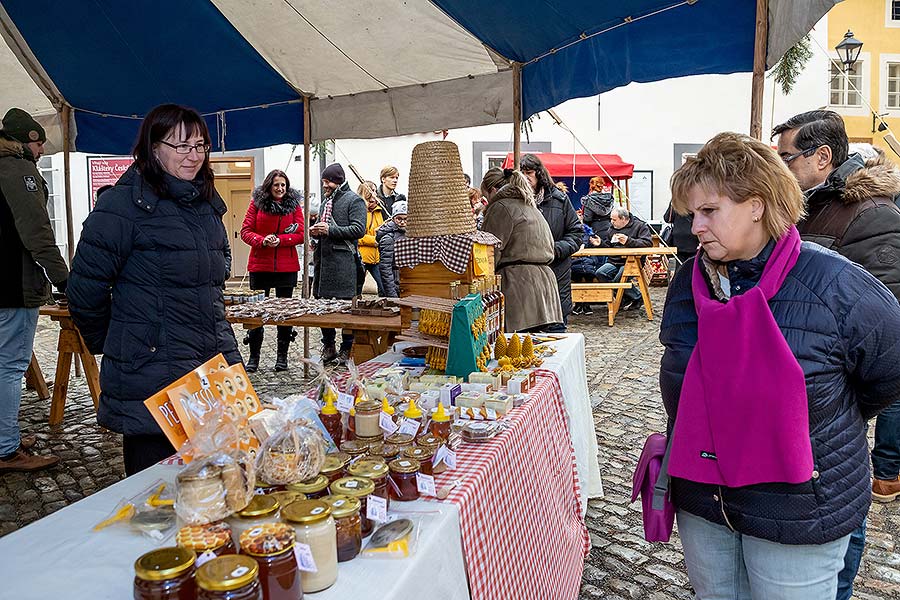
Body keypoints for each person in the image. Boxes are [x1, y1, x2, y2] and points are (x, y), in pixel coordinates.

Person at [660, 131, 900, 599]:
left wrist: (819, 419)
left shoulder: (831, 281)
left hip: (798, 509)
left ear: (758, 205)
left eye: (709, 211)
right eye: (693, 214)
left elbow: (889, 369)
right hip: (705, 501)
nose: (697, 227)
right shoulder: (688, 283)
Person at [67, 104, 240, 475]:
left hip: (208, 371)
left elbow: (211, 294)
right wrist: (123, 342)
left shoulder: (206, 205)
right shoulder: (121, 207)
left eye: (200, 145)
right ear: (152, 147)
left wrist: (230, 359)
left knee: (215, 489)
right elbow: (84, 292)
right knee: (156, 494)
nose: (193, 156)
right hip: (151, 376)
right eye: (181, 146)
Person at [773, 110, 900, 600]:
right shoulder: (803, 208)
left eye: (787, 157)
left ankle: (838, 589)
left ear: (822, 157)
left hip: (833, 398)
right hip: (792, 392)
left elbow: (886, 337)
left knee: (842, 501)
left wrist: (841, 400)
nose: (779, 166)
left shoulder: (871, 215)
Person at [0, 108, 68, 472]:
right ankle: (6, 449)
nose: (43, 150)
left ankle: (4, 434)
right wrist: (64, 279)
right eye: (41, 143)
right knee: (10, 366)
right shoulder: (18, 170)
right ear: (27, 140)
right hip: (12, 284)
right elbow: (37, 233)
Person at [480, 167, 563, 332]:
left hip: (519, 288)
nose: (486, 201)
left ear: (493, 190)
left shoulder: (500, 207)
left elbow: (489, 253)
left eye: (486, 196)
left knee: (516, 351)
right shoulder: (530, 206)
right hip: (545, 286)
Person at [240, 169, 305, 372]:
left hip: (287, 267)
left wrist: (282, 240)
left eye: (283, 185)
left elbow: (301, 233)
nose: (280, 188)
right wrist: (262, 240)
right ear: (269, 186)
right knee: (257, 312)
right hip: (261, 266)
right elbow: (245, 231)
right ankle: (254, 357)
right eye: (277, 185)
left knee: (283, 313)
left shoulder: (294, 206)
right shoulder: (256, 204)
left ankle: (282, 357)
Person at [310, 163, 366, 365]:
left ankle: (346, 348)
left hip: (344, 266)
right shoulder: (326, 202)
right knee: (324, 307)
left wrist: (330, 230)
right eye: (324, 182)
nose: (325, 186)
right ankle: (329, 345)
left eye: (328, 182)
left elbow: (359, 230)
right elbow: (326, 228)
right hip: (324, 264)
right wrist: (316, 232)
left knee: (345, 309)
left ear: (338, 181)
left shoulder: (355, 200)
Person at [520, 154, 581, 328]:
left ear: (539, 173)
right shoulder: (516, 202)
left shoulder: (559, 199)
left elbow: (576, 233)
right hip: (526, 279)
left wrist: (554, 250)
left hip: (556, 274)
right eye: (521, 173)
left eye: (529, 172)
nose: (525, 177)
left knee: (556, 332)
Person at [596, 206, 652, 310]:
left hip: (632, 261)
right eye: (611, 219)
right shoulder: (612, 228)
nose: (611, 222)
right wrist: (600, 244)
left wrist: (628, 241)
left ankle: (633, 297)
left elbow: (648, 243)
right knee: (600, 273)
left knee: (620, 279)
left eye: (614, 219)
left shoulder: (640, 226)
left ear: (623, 219)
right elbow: (609, 246)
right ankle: (628, 297)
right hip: (614, 260)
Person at [357, 180, 387, 295]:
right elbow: (356, 235)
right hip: (362, 257)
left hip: (376, 257)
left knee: (384, 287)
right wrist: (373, 240)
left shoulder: (379, 211)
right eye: (372, 190)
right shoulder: (360, 211)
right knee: (357, 289)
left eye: (375, 191)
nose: (375, 193)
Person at [376, 201, 408, 297]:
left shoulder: (410, 234)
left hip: (406, 282)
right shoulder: (388, 238)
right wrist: (392, 294)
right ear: (393, 218)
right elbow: (385, 268)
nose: (402, 222)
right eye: (399, 219)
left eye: (405, 219)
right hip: (394, 283)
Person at [571, 221, 604, 316]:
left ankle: (584, 303)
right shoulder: (570, 232)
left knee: (587, 273)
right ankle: (582, 303)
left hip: (588, 262)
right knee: (578, 273)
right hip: (576, 262)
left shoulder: (589, 233)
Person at [662, 201, 698, 269]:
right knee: (693, 266)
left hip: (678, 238)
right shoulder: (695, 199)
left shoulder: (676, 201)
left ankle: (681, 278)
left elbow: (667, 219)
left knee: (680, 266)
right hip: (693, 238)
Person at [581, 177, 614, 242]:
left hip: (595, 230)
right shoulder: (609, 199)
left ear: (591, 185)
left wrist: (582, 218)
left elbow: (588, 218)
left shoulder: (588, 200)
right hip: (609, 228)